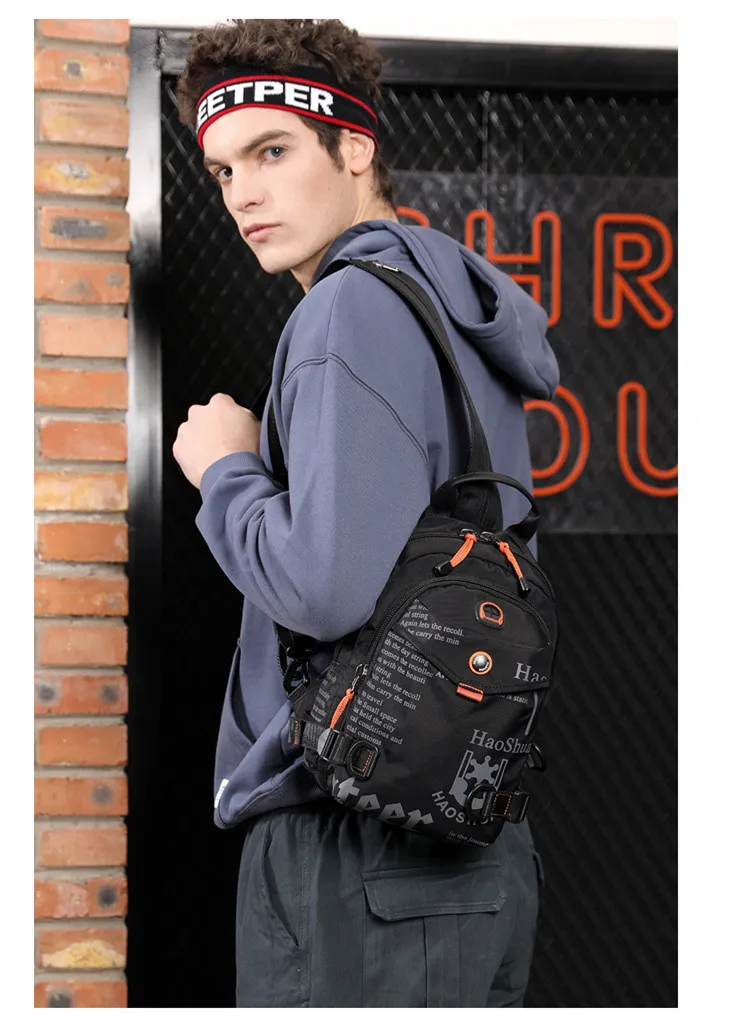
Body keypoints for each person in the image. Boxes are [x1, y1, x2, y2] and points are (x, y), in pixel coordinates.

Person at [171, 18, 559, 1008]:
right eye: (223, 170)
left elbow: (325, 587)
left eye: (272, 151)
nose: (243, 194)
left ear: (353, 147)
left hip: (355, 835)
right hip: (469, 832)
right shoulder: (445, 299)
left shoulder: (345, 309)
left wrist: (225, 471)